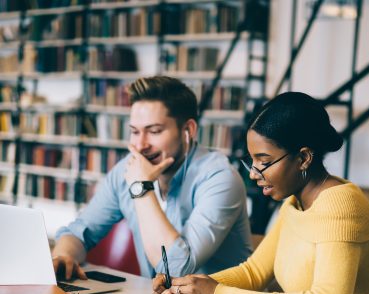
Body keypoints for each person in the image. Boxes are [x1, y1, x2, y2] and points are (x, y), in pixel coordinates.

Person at [154, 91, 369, 294]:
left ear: (303, 158)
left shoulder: (341, 205)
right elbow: (254, 273)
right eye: (252, 161)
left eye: (264, 161)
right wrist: (187, 287)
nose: (253, 173)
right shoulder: (295, 202)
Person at [52, 76, 252, 279]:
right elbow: (79, 233)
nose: (140, 146)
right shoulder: (126, 171)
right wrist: (64, 256)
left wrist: (141, 187)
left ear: (188, 130)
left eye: (154, 131)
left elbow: (175, 268)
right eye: (134, 132)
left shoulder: (220, 178)